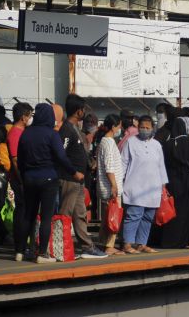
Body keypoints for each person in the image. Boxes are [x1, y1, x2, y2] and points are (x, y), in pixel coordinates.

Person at [17, 103, 84, 263]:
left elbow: (20, 159)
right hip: (48, 178)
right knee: (46, 217)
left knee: (28, 215)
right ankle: (42, 254)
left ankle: (19, 251)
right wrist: (74, 173)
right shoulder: (52, 135)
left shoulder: (25, 134)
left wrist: (24, 175)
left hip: (29, 178)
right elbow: (62, 157)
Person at [58, 94, 107, 259]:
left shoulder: (75, 128)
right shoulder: (66, 129)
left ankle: (87, 246)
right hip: (69, 179)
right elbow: (61, 154)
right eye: (83, 109)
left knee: (80, 214)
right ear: (78, 111)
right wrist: (73, 171)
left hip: (78, 181)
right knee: (65, 213)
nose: (84, 112)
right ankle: (60, 247)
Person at [121, 115, 168, 254]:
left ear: (152, 128)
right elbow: (123, 162)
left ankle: (142, 244)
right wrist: (119, 182)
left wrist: (163, 184)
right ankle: (127, 243)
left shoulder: (157, 145)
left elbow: (161, 166)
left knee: (148, 218)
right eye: (142, 127)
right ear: (138, 128)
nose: (145, 130)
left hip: (153, 188)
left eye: (147, 128)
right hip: (135, 187)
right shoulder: (131, 142)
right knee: (133, 216)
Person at [161, 118, 189, 249]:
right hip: (188, 181)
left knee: (175, 211)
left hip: (172, 182)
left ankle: (172, 240)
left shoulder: (167, 144)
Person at [7, 102, 33, 261]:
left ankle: (23, 247)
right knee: (23, 213)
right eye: (29, 115)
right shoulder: (15, 133)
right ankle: (20, 248)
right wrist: (23, 180)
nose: (30, 119)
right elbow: (15, 160)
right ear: (23, 117)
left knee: (24, 212)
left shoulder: (21, 131)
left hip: (23, 178)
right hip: (21, 179)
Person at [96, 114, 125, 255]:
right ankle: (109, 245)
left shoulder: (104, 141)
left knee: (108, 216)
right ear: (113, 127)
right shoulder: (108, 142)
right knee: (114, 215)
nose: (120, 128)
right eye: (119, 126)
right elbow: (109, 167)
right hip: (110, 187)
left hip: (107, 186)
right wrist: (114, 185)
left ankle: (104, 243)